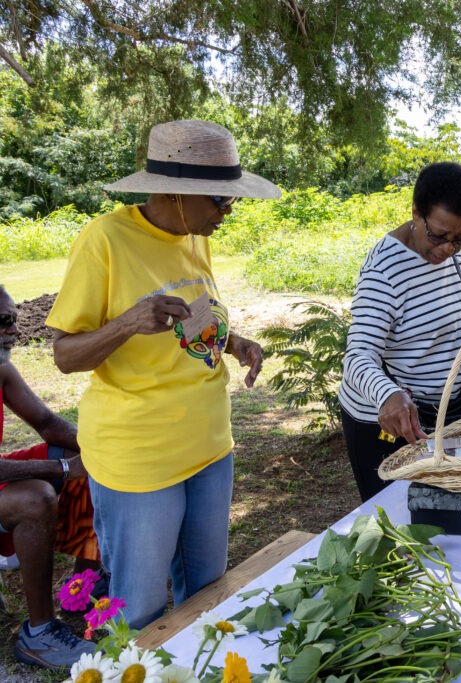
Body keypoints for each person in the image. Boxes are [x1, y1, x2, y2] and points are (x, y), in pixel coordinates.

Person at [46, 119, 280, 629]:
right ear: (176, 192)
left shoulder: (196, 236)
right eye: (220, 201)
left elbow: (191, 322)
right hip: (140, 457)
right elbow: (65, 355)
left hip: (210, 445)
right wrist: (129, 322)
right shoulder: (105, 239)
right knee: (142, 607)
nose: (228, 211)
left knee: (208, 592)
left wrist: (232, 341)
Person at [339, 162, 461, 502]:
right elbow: (357, 357)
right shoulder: (384, 272)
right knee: (403, 526)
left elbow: (440, 325)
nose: (447, 249)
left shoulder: (450, 257)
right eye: (438, 235)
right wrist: (388, 395)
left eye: (460, 239)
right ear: (415, 212)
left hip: (447, 411)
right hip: (390, 424)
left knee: (449, 514)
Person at [0, 287, 98, 669]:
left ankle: (84, 593)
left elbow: (48, 424)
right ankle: (38, 634)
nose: (13, 331)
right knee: (35, 497)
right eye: (2, 322)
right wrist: (60, 469)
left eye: (14, 320)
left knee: (91, 462)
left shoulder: (2, 369)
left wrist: (102, 449)